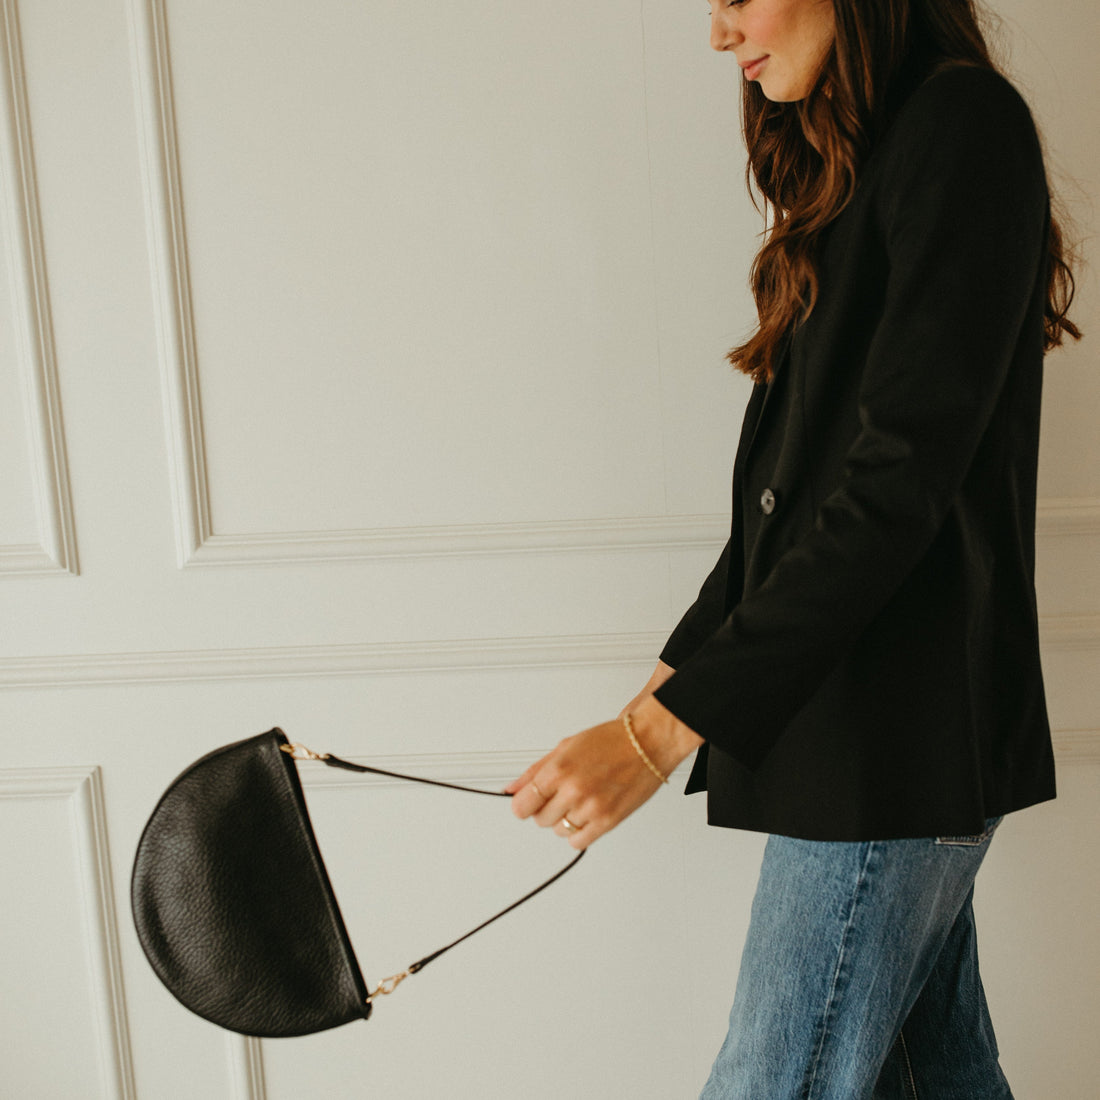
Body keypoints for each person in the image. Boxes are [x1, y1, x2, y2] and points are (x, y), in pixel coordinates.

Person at [505, 0, 1080, 1096]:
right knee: (937, 1074)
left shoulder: (961, 127)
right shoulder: (859, 155)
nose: (718, 35)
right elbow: (786, 513)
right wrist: (650, 704)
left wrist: (653, 735)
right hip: (865, 731)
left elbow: (893, 489)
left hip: (897, 734)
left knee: (773, 1078)